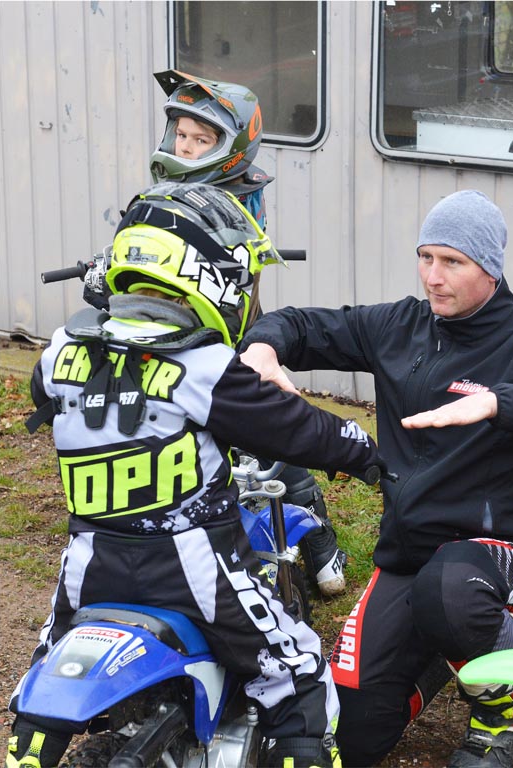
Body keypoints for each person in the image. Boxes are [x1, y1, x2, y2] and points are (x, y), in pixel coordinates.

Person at [6, 182, 388, 768]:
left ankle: (29, 747)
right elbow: (293, 427)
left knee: (48, 670)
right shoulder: (202, 364)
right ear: (203, 274)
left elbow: (45, 393)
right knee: (297, 671)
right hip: (191, 566)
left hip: (89, 564)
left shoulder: (59, 351)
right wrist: (364, 452)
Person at [239, 189, 513, 768]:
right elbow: (303, 325)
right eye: (426, 257)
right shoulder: (398, 325)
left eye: (453, 262)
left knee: (449, 593)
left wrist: (499, 403)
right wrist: (264, 346)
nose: (434, 277)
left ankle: (502, 709)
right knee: (350, 737)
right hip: (409, 559)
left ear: (489, 268)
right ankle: (445, 650)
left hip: (506, 555)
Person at [148, 69, 349, 596]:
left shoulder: (240, 192)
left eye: (201, 139)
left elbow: (242, 260)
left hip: (232, 330)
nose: (186, 147)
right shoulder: (161, 193)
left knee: (267, 424)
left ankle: (317, 538)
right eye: (181, 135)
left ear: (232, 146)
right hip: (170, 335)